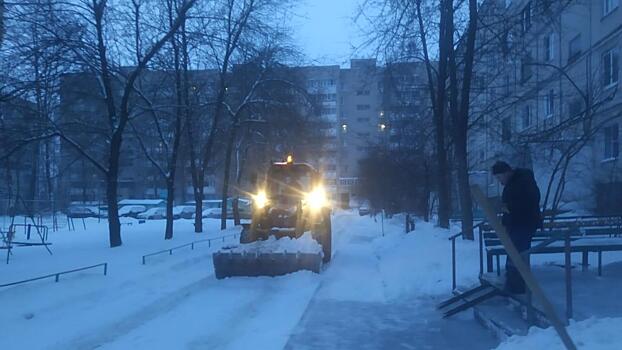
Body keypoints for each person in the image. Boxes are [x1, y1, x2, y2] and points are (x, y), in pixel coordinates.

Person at [491, 160, 542, 294]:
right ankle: (513, 283)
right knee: (513, 253)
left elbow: (531, 200)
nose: (499, 180)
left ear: (507, 172)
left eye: (499, 177)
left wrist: (509, 208)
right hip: (515, 224)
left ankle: (517, 286)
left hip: (524, 224)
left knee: (518, 253)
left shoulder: (524, 180)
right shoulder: (512, 183)